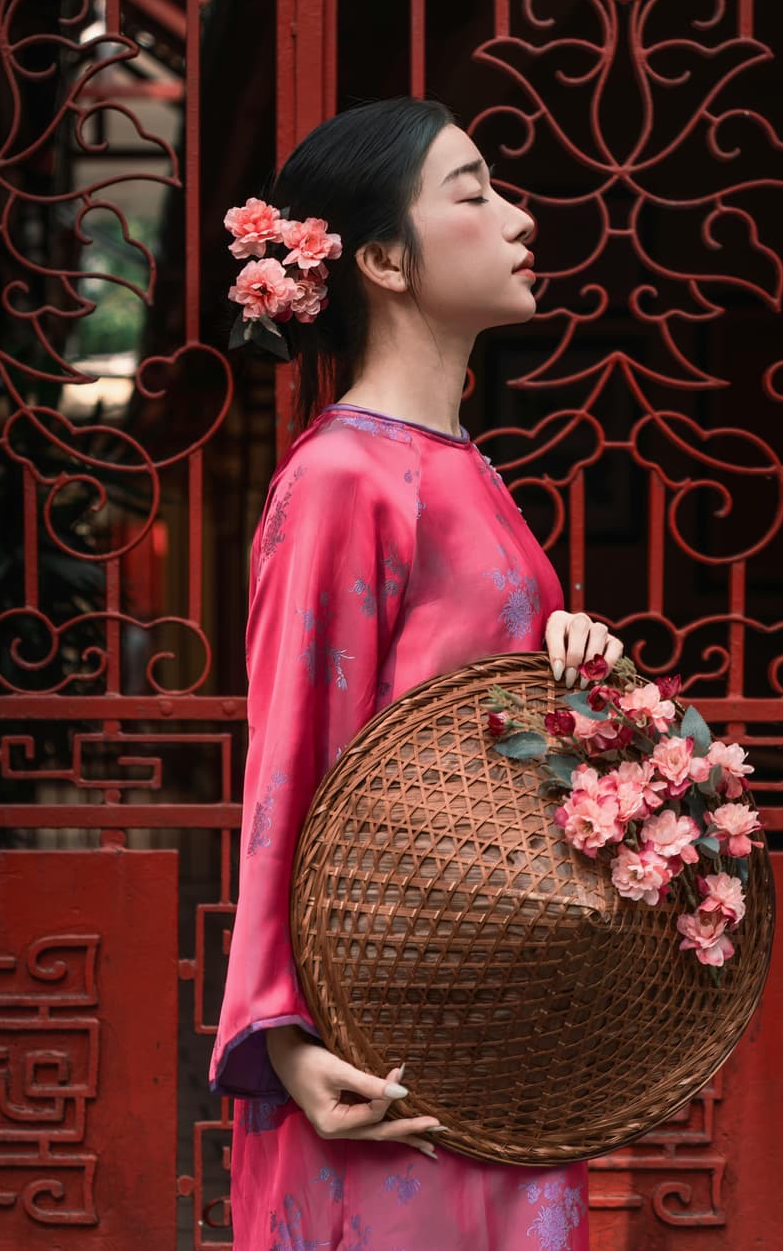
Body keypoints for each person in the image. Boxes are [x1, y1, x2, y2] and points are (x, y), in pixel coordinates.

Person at [209, 97, 623, 1249]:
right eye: (475, 192)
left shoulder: (463, 468)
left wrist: (579, 674)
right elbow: (291, 761)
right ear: (385, 259)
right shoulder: (344, 476)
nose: (521, 218)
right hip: (375, 1047)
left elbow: (469, 731)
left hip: (492, 1024)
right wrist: (286, 1035)